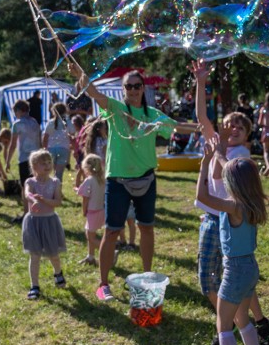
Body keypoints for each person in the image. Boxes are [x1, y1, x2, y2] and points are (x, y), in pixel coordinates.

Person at [69, 64, 198, 301]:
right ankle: (103, 284)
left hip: (146, 178)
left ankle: (148, 274)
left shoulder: (152, 114)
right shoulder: (116, 109)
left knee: (146, 227)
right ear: (123, 89)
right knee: (111, 231)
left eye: (138, 85)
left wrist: (203, 129)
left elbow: (178, 126)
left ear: (143, 88)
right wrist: (81, 76)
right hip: (117, 179)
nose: (134, 89)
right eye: (129, 86)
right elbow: (94, 93)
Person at [190, 60, 269, 345]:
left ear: (247, 134)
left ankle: (233, 324)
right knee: (215, 277)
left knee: (234, 276)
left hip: (233, 219)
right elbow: (202, 115)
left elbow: (219, 174)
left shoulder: (242, 156)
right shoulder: (218, 142)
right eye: (229, 124)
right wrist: (201, 81)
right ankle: (241, 321)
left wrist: (220, 147)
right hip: (212, 218)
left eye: (240, 126)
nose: (234, 128)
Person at [196, 138, 269, 345]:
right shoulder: (251, 203)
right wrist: (219, 153)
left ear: (234, 185)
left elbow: (202, 196)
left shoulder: (232, 206)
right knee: (242, 320)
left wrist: (205, 163)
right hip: (249, 268)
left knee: (223, 327)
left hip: (235, 271)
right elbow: (230, 168)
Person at [22, 150, 67, 300]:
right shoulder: (30, 182)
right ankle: (34, 285)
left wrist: (44, 201)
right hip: (33, 222)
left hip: (49, 221)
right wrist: (33, 200)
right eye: (43, 163)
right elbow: (27, 193)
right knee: (35, 256)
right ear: (34, 166)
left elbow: (58, 202)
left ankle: (58, 272)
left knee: (53, 254)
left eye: (49, 162)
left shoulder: (55, 182)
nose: (47, 165)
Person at [5, 100, 42, 224]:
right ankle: (37, 212)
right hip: (37, 158)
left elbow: (13, 144)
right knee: (35, 186)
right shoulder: (35, 122)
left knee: (25, 187)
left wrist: (8, 161)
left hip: (25, 159)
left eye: (14, 111)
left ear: (19, 111)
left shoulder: (17, 124)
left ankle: (27, 214)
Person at [77, 154, 107, 265]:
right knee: (90, 234)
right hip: (101, 210)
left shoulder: (89, 180)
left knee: (90, 237)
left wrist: (83, 210)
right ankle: (90, 257)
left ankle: (110, 252)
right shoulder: (102, 180)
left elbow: (85, 198)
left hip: (92, 212)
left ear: (87, 167)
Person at [43, 102, 75, 183]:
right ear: (65, 111)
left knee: (51, 172)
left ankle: (52, 190)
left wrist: (44, 149)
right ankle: (58, 191)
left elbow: (45, 137)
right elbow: (72, 134)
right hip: (64, 149)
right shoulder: (67, 122)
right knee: (59, 173)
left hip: (51, 149)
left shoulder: (51, 122)